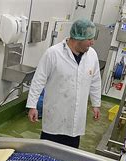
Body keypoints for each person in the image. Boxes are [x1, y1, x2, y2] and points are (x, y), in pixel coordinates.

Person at [26, 18, 101, 149]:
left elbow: (95, 81)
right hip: (55, 116)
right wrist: (32, 106)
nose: (92, 42)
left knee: (70, 155)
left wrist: (96, 104)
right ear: (79, 38)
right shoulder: (53, 53)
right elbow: (38, 80)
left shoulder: (92, 55)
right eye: (90, 39)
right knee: (47, 153)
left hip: (76, 119)